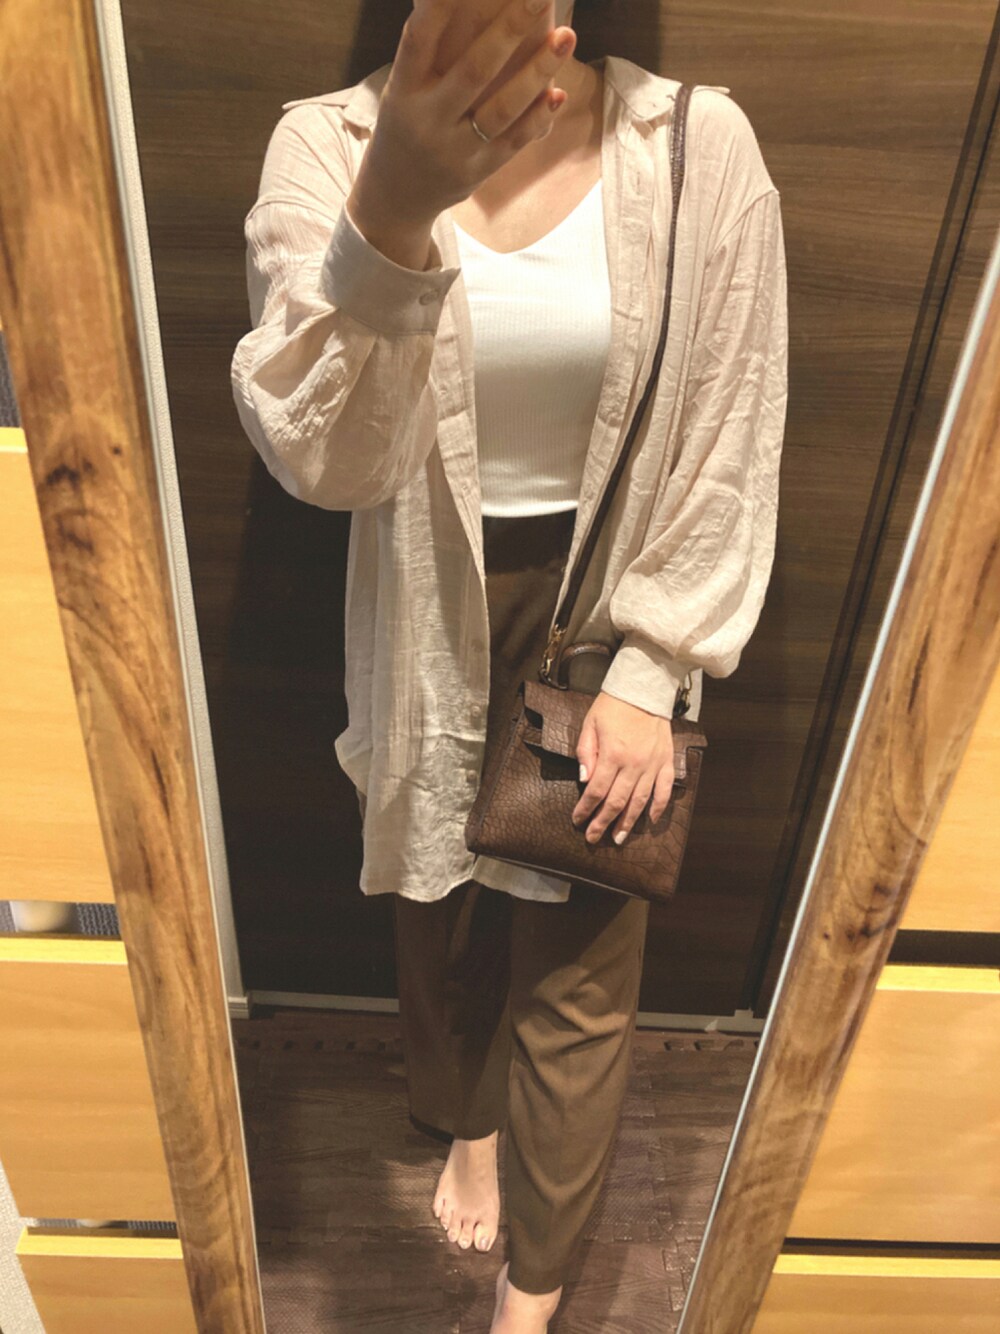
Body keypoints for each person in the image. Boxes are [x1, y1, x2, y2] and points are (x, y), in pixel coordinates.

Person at [231, 0, 788, 1327]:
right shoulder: (328, 146)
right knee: (440, 898)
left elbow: (733, 419)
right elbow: (323, 458)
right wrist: (388, 218)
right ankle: (466, 1122)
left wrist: (655, 665)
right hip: (424, 581)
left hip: (611, 590)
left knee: (583, 953)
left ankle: (531, 1295)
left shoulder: (696, 148)